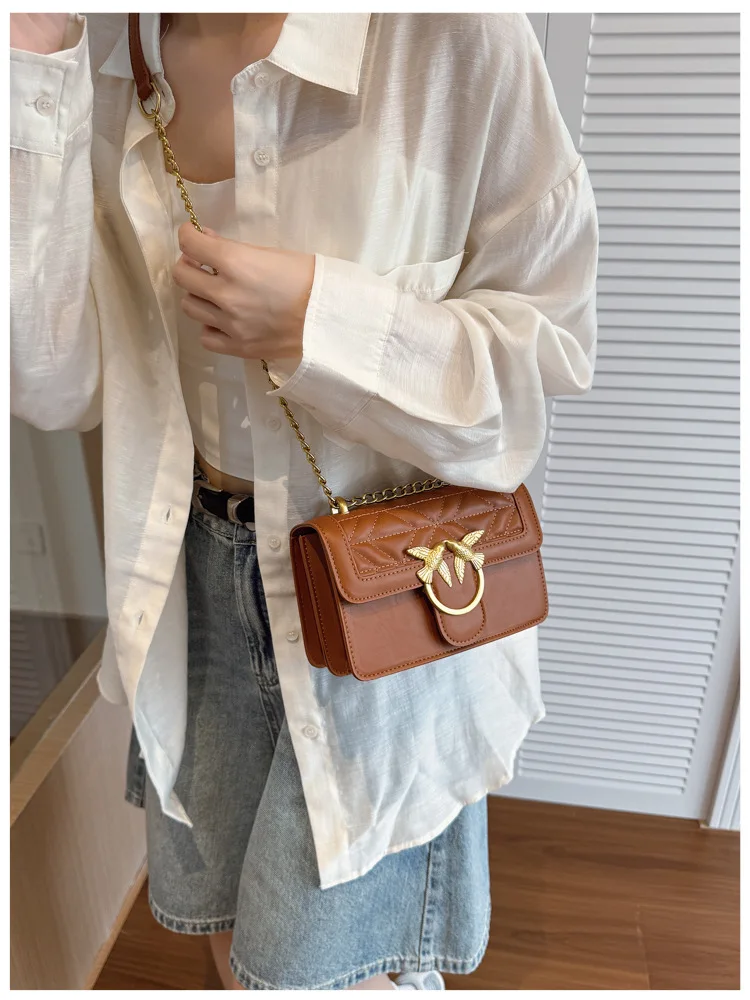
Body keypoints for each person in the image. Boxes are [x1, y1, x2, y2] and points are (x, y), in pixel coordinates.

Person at [10, 12, 598, 991]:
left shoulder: (449, 39)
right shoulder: (110, 56)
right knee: (234, 938)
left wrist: (322, 322)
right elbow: (57, 381)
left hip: (383, 605)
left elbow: (547, 358)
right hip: (191, 580)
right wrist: (32, 56)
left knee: (342, 968)